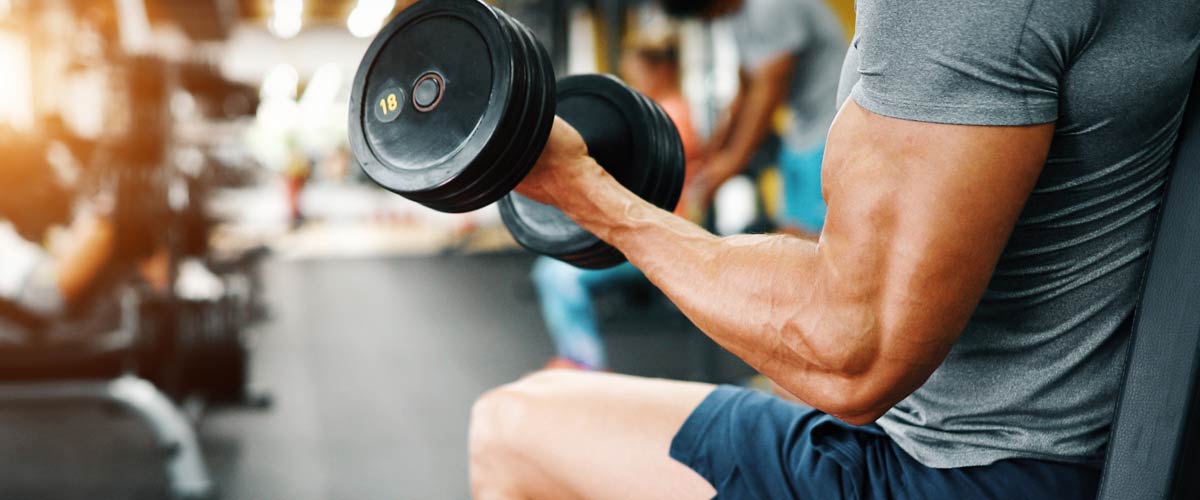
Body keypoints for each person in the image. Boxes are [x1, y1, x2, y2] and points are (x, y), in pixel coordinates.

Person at [468, 0, 1200, 498]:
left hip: (956, 473)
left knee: (510, 425)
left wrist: (584, 192)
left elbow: (850, 351)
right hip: (1032, 443)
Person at [532, 27, 701, 371]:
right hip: (645, 229)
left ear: (662, 70)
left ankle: (587, 365)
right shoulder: (661, 113)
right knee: (555, 266)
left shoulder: (668, 118)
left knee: (556, 276)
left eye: (637, 72)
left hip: (660, 240)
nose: (634, 80)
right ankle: (581, 359)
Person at [676, 0, 846, 237]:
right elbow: (745, 86)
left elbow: (769, 89)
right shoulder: (736, 16)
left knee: (821, 240)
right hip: (800, 132)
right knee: (791, 233)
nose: (711, 20)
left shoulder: (772, 5)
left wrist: (732, 161)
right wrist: (714, 150)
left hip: (832, 129)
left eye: (708, 12)